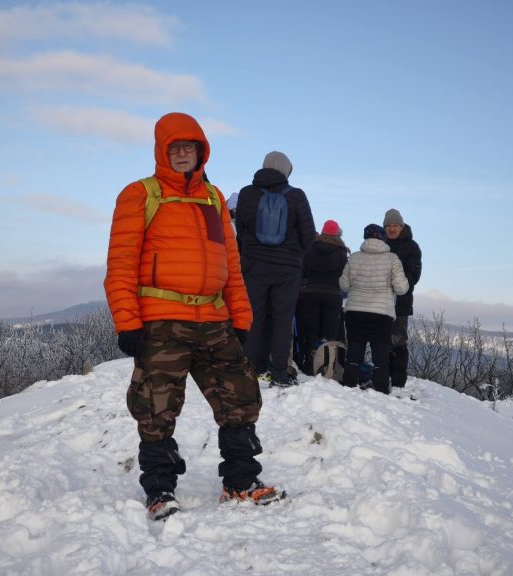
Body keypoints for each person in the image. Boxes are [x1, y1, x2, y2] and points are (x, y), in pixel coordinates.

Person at [104, 112, 283, 521]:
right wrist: (127, 321)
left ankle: (240, 481)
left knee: (240, 398)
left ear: (202, 151)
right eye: (176, 147)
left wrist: (241, 315)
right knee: (156, 407)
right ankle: (160, 489)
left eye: (191, 147)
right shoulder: (140, 194)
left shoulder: (213, 197)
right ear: (162, 151)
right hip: (162, 318)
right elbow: (121, 263)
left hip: (214, 318)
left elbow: (231, 264)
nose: (183, 153)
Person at [236, 151, 316, 387]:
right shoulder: (296, 196)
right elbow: (309, 235)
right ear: (286, 170)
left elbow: (240, 230)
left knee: (254, 317)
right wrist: (293, 255)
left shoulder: (247, 194)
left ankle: (250, 367)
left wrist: (252, 251)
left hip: (254, 267)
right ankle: (279, 371)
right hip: (287, 269)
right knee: (282, 319)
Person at [340, 224, 409, 394]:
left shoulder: (354, 258)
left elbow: (343, 285)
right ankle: (380, 389)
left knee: (354, 354)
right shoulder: (392, 259)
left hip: (354, 312)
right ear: (382, 239)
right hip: (381, 315)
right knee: (380, 356)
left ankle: (349, 385)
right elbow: (402, 288)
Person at [296, 219, 348, 375]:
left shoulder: (311, 248)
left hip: (311, 293)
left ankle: (309, 363)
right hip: (333, 294)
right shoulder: (341, 251)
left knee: (311, 329)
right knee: (330, 332)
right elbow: (345, 275)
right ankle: (328, 365)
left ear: (323, 232)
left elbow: (302, 271)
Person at [383, 208, 423, 389]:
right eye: (388, 226)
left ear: (401, 226)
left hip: (401, 302)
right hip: (379, 302)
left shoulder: (412, 247)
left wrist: (394, 280)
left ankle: (398, 382)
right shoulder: (380, 244)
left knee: (398, 341)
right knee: (381, 340)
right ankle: (382, 377)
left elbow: (414, 276)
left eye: (395, 226)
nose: (391, 229)